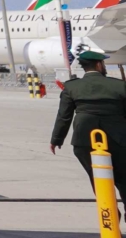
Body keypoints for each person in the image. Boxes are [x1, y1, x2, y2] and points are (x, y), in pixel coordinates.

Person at [49, 46, 126, 185]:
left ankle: (104, 199)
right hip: (118, 140)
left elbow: (64, 116)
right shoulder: (119, 86)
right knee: (123, 179)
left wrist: (56, 140)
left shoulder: (71, 87)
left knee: (98, 178)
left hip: (84, 140)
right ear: (99, 65)